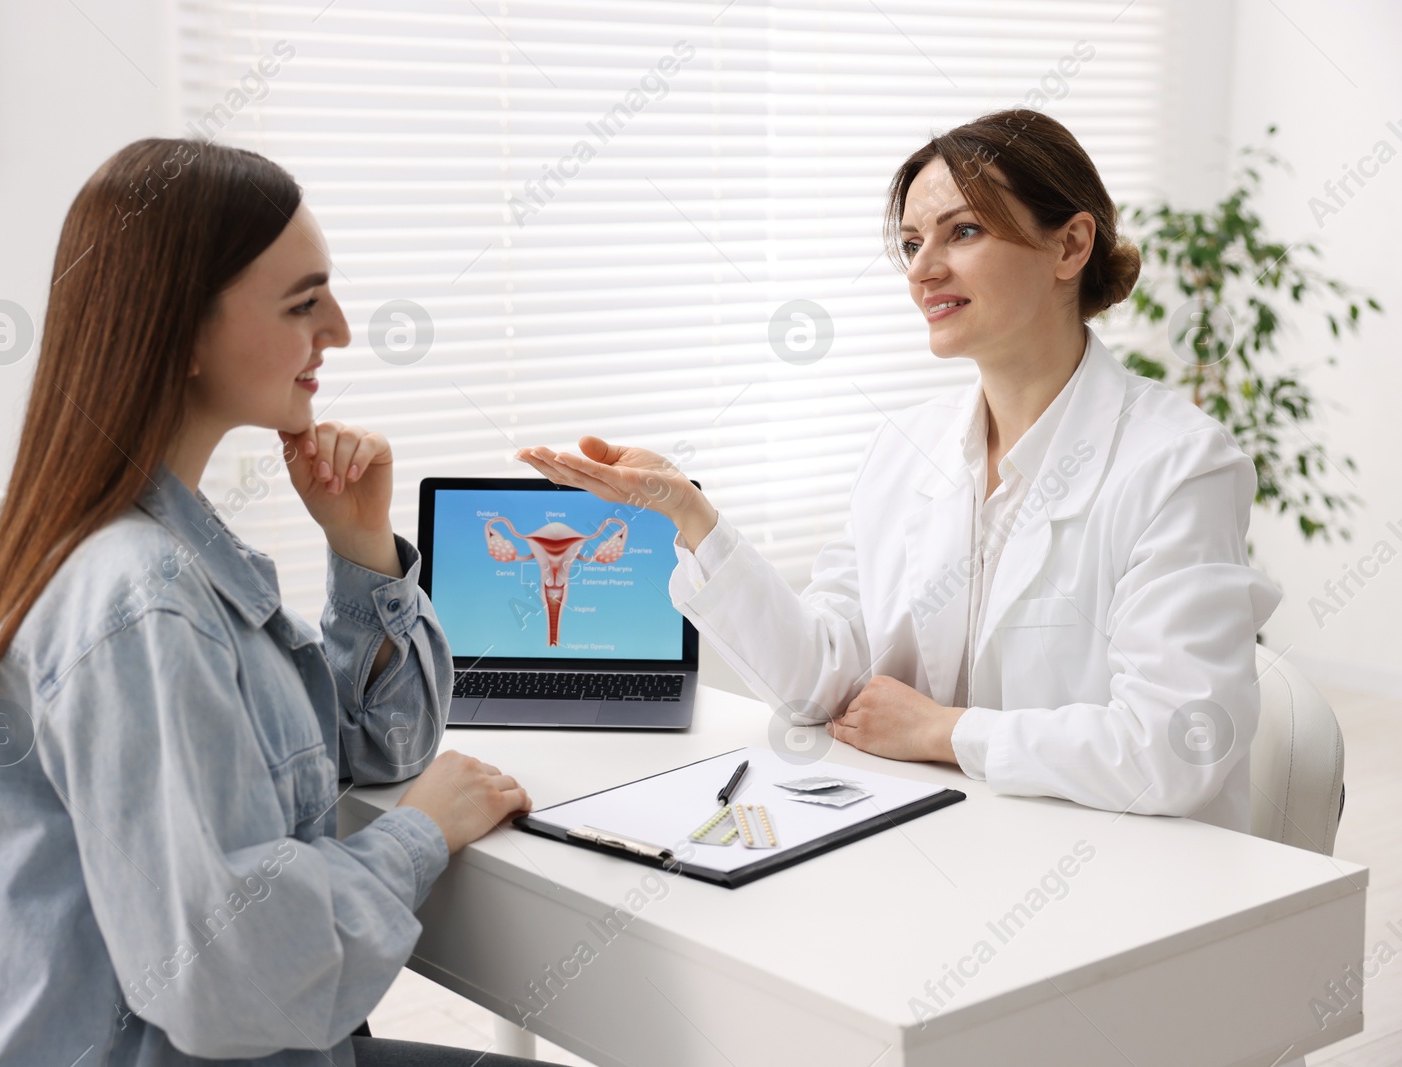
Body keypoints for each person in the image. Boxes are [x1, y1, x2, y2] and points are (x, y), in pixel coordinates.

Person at [0, 139, 550, 1067]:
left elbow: (374, 746)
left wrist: (362, 547)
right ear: (181, 330)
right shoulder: (142, 595)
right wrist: (419, 834)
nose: (340, 329)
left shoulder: (160, 544)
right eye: (305, 302)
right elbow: (234, 975)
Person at [519, 109, 1282, 832]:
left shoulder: (1179, 465)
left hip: (1126, 876)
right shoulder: (906, 449)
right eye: (914, 242)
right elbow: (822, 680)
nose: (925, 269)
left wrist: (946, 731)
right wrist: (692, 518)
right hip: (948, 837)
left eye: (965, 230)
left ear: (1070, 246)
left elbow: (1176, 747)